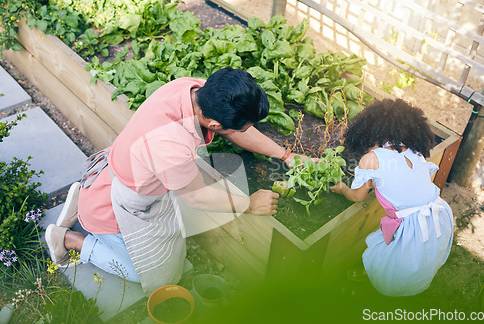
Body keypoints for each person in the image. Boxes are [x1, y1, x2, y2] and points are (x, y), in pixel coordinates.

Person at [45, 67, 305, 295]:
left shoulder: (194, 90)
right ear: (213, 124)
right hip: (122, 204)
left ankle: (83, 196)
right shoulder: (169, 142)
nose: (242, 132)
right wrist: (248, 203)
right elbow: (196, 196)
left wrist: (285, 155)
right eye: (240, 128)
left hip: (115, 171)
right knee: (156, 278)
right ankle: (69, 239)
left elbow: (236, 129)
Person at [330, 99, 454, 297]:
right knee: (423, 258)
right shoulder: (415, 151)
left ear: (370, 133)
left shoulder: (371, 158)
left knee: (395, 265)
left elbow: (358, 196)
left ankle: (383, 283)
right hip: (438, 218)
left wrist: (343, 188)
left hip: (413, 226)